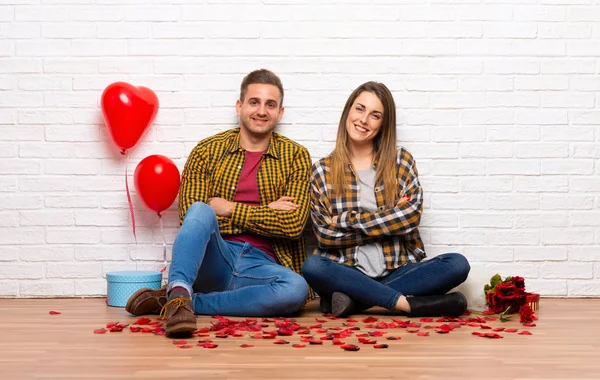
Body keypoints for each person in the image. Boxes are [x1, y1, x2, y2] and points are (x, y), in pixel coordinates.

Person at [125, 69, 312, 336]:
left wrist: (229, 207)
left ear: (280, 113)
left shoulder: (296, 156)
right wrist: (265, 213)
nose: (261, 111)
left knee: (296, 289)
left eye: (270, 104)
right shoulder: (207, 151)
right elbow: (191, 219)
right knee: (200, 210)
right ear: (240, 107)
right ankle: (180, 292)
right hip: (214, 258)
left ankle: (180, 301)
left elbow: (293, 225)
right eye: (254, 102)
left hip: (262, 267)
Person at [301, 81, 470, 318]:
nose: (364, 120)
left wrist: (347, 220)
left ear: (383, 124)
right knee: (313, 266)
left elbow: (410, 218)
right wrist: (390, 222)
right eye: (360, 109)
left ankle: (355, 301)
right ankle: (408, 305)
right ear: (348, 111)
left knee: (457, 264)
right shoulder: (322, 170)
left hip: (400, 271)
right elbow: (324, 235)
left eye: (375, 115)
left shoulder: (400, 161)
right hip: (348, 272)